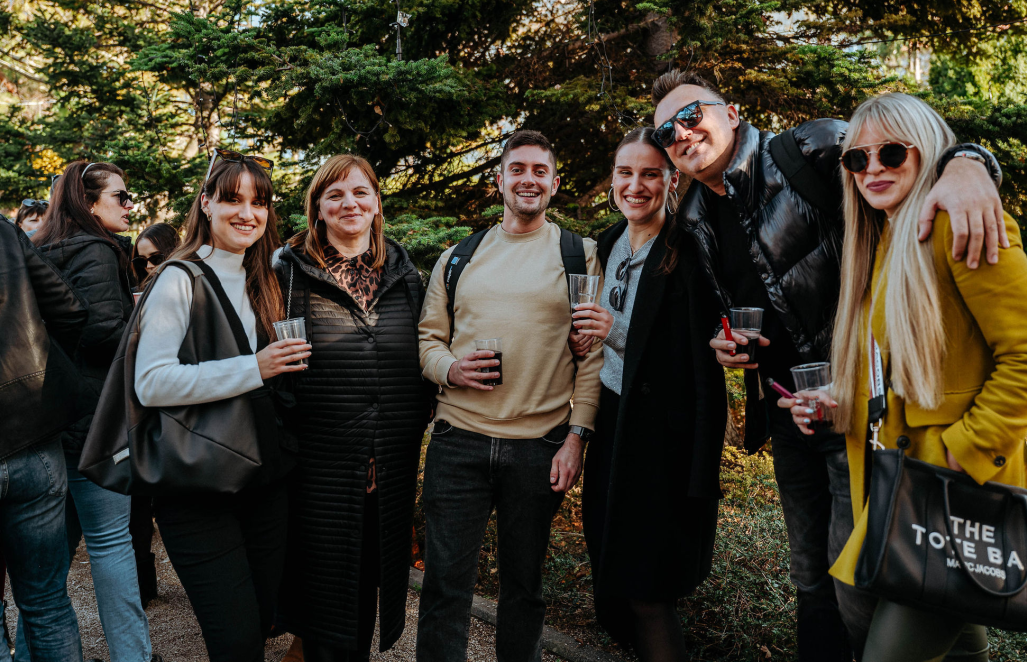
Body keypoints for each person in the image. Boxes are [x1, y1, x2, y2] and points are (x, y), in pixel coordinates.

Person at [650, 70, 1008, 660]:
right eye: (668, 131)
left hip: (865, 406)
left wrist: (970, 162)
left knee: (860, 580)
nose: (683, 134)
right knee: (809, 576)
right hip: (790, 410)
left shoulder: (808, 149)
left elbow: (906, 159)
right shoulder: (690, 216)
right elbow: (745, 303)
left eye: (693, 115)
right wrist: (731, 350)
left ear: (732, 111)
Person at [781, 92, 1027, 661]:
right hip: (904, 501)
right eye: (856, 160)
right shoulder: (883, 240)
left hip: (951, 501)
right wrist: (840, 400)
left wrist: (964, 451)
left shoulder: (965, 224)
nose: (873, 169)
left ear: (925, 151)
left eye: (890, 152)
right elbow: (910, 373)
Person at [415, 129, 604, 662]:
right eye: (517, 169)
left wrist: (576, 439)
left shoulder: (579, 255)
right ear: (499, 180)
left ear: (555, 184)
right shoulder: (458, 258)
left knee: (524, 590)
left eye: (539, 171)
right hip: (458, 444)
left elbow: (591, 357)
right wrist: (451, 370)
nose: (528, 179)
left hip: (537, 448)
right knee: (445, 588)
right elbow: (428, 340)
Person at [132, 149, 310, 662]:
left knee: (257, 626)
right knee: (233, 641)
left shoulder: (265, 281)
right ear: (206, 203)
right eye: (232, 199)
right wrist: (257, 366)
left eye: (259, 203)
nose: (247, 213)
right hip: (197, 485)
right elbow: (152, 383)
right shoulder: (177, 278)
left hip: (264, 481)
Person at [569, 128, 727, 662]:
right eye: (625, 173)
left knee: (649, 591)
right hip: (613, 424)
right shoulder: (609, 243)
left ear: (671, 180)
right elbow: (603, 346)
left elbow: (696, 367)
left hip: (662, 440)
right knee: (613, 580)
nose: (635, 186)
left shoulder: (687, 250)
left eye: (650, 174)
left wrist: (613, 327)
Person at [273, 154, 430, 662]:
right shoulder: (288, 273)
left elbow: (424, 363)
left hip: (386, 469)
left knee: (364, 593)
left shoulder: (406, 278)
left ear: (377, 204)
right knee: (318, 597)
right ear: (317, 207)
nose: (350, 203)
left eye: (361, 192)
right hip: (316, 469)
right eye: (335, 194)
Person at [30, 161, 157, 662]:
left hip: (45, 424)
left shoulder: (39, 249)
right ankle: (134, 655)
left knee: (50, 563)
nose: (130, 206)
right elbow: (103, 332)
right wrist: (139, 318)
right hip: (94, 423)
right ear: (88, 202)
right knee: (110, 543)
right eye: (121, 197)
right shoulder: (99, 251)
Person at [0, 216, 87, 662]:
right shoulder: (3, 230)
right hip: (32, 433)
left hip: (32, 436)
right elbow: (70, 309)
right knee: (48, 603)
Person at [127, 222, 180, 608]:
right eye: (140, 261)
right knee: (142, 504)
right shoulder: (141, 293)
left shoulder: (185, 286)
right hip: (144, 413)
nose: (148, 267)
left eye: (155, 258)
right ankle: (145, 585)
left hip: (180, 415)